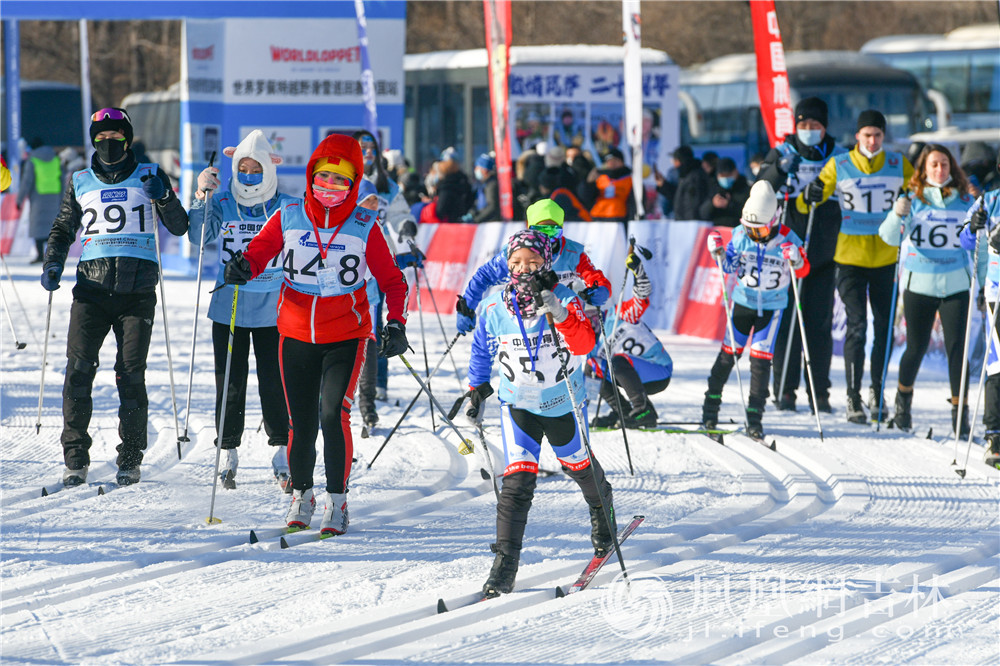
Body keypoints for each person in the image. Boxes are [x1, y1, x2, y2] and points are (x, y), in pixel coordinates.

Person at [221, 133, 408, 536]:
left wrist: (396, 322)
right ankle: (301, 495)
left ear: (354, 183)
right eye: (323, 179)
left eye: (340, 182)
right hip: (294, 331)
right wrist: (243, 267)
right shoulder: (289, 215)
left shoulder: (364, 224)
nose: (329, 189)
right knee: (300, 422)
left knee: (332, 414)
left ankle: (337, 501)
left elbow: (393, 280)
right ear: (310, 177)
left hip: (347, 333)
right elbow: (258, 252)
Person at [457, 227, 612, 598]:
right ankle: (504, 564)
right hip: (518, 405)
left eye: (532, 262)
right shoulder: (495, 305)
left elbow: (586, 343)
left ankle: (603, 519)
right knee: (516, 483)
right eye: (516, 263)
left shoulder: (562, 296)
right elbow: (481, 348)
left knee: (578, 468)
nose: (523, 269)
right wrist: (476, 390)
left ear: (546, 263)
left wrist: (559, 311)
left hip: (560, 403)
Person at [42, 108, 189, 487]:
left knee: (130, 374)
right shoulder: (79, 180)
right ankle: (75, 457)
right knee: (78, 372)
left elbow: (179, 225)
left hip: (136, 293)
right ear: (94, 142)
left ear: (127, 140)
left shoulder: (150, 175)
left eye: (116, 138)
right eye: (101, 139)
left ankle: (131, 456)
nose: (109, 145)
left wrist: (166, 198)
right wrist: (53, 263)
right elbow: (62, 228)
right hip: (90, 291)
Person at [187, 129, 293, 491]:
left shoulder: (285, 207)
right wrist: (201, 194)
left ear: (269, 169)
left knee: (274, 383)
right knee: (230, 384)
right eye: (243, 168)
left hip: (274, 310)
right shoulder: (224, 202)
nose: (248, 175)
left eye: (255, 169)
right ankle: (228, 449)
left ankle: (282, 449)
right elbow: (198, 236)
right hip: (229, 306)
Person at [800, 109, 914, 423]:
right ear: (857, 137)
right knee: (857, 327)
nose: (873, 141)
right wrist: (810, 195)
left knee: (885, 328)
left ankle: (876, 391)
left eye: (878, 135)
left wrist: (912, 199)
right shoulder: (840, 164)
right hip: (849, 258)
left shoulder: (898, 164)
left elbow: (921, 192)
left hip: (886, 258)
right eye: (867, 135)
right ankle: (852, 395)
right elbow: (806, 201)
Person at [878, 145, 982, 436]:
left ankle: (959, 414)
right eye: (934, 165)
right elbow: (888, 237)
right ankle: (903, 403)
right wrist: (897, 214)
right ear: (923, 169)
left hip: (956, 285)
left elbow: (978, 244)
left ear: (952, 168)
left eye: (945, 164)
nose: (940, 170)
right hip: (919, 284)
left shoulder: (965, 200)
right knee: (916, 348)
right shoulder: (912, 199)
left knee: (956, 351)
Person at [757, 97, 847, 413]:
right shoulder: (784, 151)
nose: (809, 130)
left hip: (824, 251)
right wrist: (780, 172)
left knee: (818, 324)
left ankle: (819, 392)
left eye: (815, 126)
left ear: (825, 128)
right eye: (804, 125)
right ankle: (783, 390)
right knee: (787, 324)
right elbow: (761, 188)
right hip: (789, 253)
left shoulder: (838, 155)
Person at [701, 181, 810, 439]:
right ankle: (710, 408)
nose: (754, 235)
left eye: (759, 230)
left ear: (773, 220)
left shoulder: (789, 237)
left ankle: (754, 416)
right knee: (729, 356)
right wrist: (717, 250)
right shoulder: (740, 235)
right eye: (750, 228)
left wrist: (795, 257)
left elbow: (804, 270)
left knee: (760, 362)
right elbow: (728, 266)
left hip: (771, 309)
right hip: (743, 304)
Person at [455, 199, 612, 335]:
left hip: (561, 318)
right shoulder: (517, 251)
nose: (546, 239)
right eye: (540, 230)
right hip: (527, 320)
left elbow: (594, 277)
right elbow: (485, 276)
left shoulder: (572, 253)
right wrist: (467, 306)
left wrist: (600, 289)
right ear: (530, 228)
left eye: (552, 231)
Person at [587, 247, 673, 429]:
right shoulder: (591, 343)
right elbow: (591, 381)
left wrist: (638, 270)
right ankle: (623, 412)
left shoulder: (619, 315)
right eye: (586, 318)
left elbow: (642, 296)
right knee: (591, 366)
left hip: (657, 370)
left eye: (593, 315)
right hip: (631, 377)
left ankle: (642, 409)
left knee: (618, 361)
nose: (591, 321)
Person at [960, 152, 1000, 467]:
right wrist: (975, 226)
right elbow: (963, 237)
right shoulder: (990, 200)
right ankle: (995, 434)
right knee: (997, 361)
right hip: (997, 290)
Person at [18, 137, 63, 263]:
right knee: (52, 227)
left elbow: (27, 181)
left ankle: (39, 256)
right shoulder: (55, 159)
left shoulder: (32, 160)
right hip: (54, 196)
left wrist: (19, 199)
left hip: (38, 197)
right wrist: (63, 197)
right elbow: (61, 178)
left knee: (38, 226)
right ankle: (51, 256)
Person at [583, 147, 634, 222]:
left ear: (622, 162)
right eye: (609, 161)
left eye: (615, 160)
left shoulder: (630, 179)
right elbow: (586, 197)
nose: (612, 163)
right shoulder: (600, 177)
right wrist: (589, 183)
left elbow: (633, 203)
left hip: (619, 217)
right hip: (597, 216)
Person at [697, 156, 750, 228]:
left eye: (728, 175)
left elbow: (749, 213)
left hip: (738, 229)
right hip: (717, 231)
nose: (725, 178)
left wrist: (729, 205)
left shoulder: (745, 189)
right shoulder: (713, 188)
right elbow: (702, 213)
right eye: (722, 175)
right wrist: (712, 204)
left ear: (735, 172)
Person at [660, 145, 708, 221]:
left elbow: (691, 205)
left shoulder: (692, 177)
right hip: (685, 223)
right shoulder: (687, 174)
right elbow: (678, 196)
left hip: (689, 224)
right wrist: (663, 185)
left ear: (679, 161)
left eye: (675, 160)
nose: (674, 164)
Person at [433, 147, 475, 223]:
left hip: (449, 225)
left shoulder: (446, 186)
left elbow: (440, 211)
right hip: (462, 222)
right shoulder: (464, 181)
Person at [471, 153, 500, 223]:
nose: (475, 170)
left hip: (490, 224)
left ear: (484, 169)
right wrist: (472, 213)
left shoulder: (491, 184)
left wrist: (477, 219)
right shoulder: (484, 183)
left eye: (477, 167)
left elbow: (492, 207)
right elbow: (479, 203)